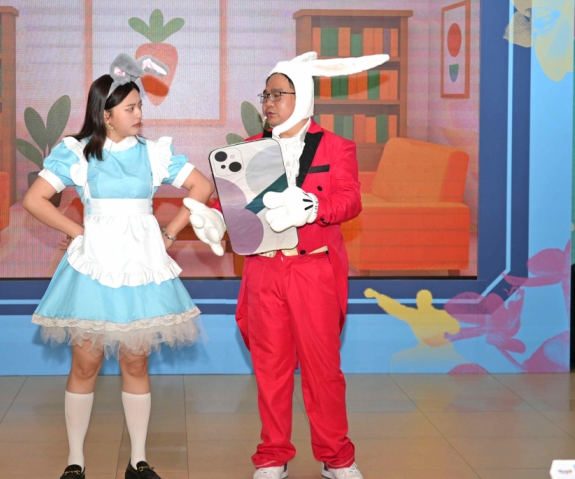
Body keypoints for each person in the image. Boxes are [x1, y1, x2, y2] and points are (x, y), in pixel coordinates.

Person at [184, 52, 388, 479]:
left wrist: (314, 206)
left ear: (304, 96)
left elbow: (350, 199)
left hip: (313, 269)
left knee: (323, 370)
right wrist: (216, 220)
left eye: (278, 94)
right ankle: (273, 456)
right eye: (266, 95)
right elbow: (235, 205)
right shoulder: (249, 149)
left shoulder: (336, 146)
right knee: (270, 369)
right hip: (263, 269)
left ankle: (337, 458)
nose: (269, 103)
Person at [23, 53, 214, 479]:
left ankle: (138, 460)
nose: (139, 114)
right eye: (131, 108)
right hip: (93, 268)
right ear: (105, 115)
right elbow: (34, 199)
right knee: (85, 363)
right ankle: (75, 462)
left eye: (140, 106)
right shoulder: (77, 153)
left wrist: (169, 234)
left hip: (141, 268)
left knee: (135, 363)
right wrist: (78, 232)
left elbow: (201, 186)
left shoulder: (154, 153)